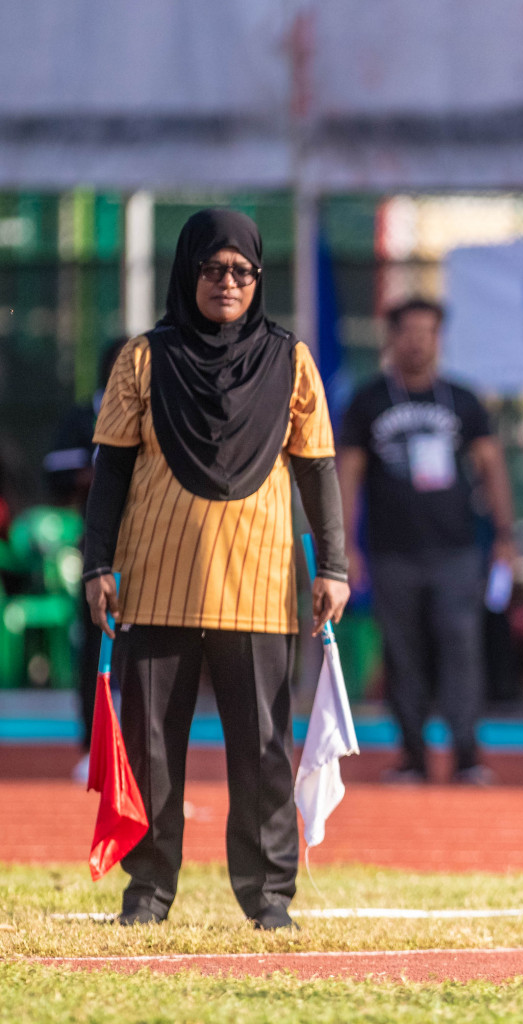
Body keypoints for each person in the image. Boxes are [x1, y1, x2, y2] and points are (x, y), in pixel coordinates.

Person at [81, 209, 349, 929]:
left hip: (260, 587)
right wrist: (96, 563)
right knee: (151, 750)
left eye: (241, 271)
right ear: (187, 271)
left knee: (264, 752)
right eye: (212, 269)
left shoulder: (291, 360)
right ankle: (148, 893)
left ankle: (268, 899)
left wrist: (335, 567)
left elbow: (318, 469)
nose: (227, 282)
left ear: (259, 279)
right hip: (156, 580)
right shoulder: (143, 358)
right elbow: (109, 470)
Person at [338, 298, 516, 786]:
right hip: (392, 551)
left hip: (457, 551)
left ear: (439, 338)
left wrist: (504, 535)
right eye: (409, 331)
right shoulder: (368, 400)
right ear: (391, 338)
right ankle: (413, 755)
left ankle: (465, 755)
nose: (418, 340)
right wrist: (345, 545)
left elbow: (492, 467)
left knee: (461, 649)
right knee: (402, 653)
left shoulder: (463, 400)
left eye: (428, 331)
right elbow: (347, 474)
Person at [45, 337, 126, 783]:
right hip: (95, 544)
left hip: (145, 546)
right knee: (95, 644)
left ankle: (135, 748)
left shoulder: (154, 412)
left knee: (141, 649)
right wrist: (91, 474)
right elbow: (53, 468)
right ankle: (92, 746)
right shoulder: (82, 416)